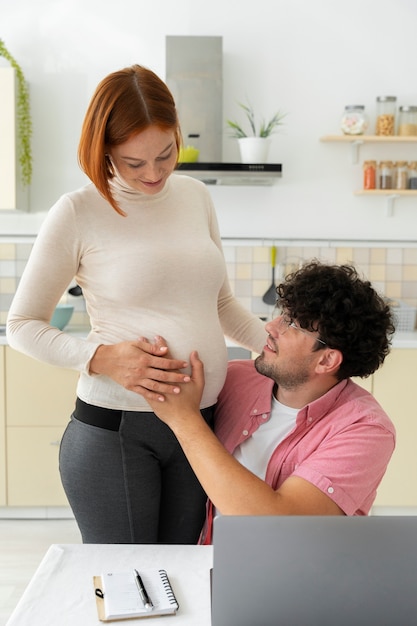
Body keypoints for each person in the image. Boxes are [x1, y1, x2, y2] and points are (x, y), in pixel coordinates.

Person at [6, 64, 266, 544]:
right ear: (103, 150)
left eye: (165, 154)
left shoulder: (194, 196)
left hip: (202, 426)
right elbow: (20, 324)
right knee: (130, 593)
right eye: (133, 162)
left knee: (186, 581)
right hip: (118, 432)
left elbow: (222, 304)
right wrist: (100, 357)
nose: (154, 174)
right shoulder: (78, 212)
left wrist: (279, 348)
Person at [146, 261, 396, 544]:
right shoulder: (237, 379)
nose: (271, 327)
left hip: (296, 581)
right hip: (209, 562)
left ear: (327, 360)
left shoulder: (365, 430)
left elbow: (279, 522)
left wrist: (184, 420)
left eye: (292, 324)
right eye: (282, 315)